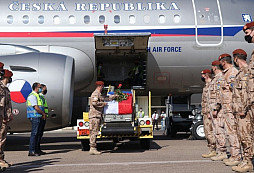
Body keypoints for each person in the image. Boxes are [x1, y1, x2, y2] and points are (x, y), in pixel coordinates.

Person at [213, 54, 241, 166]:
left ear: (224, 62)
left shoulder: (233, 72)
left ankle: (236, 156)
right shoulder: (226, 73)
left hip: (231, 107)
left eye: (221, 62)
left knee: (233, 132)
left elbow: (235, 89)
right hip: (226, 107)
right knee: (229, 133)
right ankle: (234, 155)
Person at [230, 49, 254, 172]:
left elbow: (246, 93)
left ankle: (248, 162)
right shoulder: (240, 73)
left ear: (236, 58)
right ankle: (246, 160)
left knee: (246, 137)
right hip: (240, 111)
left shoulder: (246, 71)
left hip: (243, 111)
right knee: (243, 136)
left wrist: (243, 109)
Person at [88, 81, 117, 155]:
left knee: (95, 131)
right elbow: (95, 103)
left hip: (97, 116)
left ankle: (93, 147)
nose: (103, 87)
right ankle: (92, 148)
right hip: (94, 116)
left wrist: (114, 96)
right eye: (102, 86)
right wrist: (103, 104)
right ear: (100, 86)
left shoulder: (99, 94)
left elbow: (105, 98)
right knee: (93, 132)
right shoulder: (95, 94)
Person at [209, 61, 227, 161]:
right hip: (214, 109)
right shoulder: (215, 78)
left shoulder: (220, 77)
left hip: (218, 110)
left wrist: (216, 108)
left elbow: (219, 94)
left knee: (220, 131)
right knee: (216, 131)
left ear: (215, 67)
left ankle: (222, 152)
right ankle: (220, 151)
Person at [26, 82, 46, 156]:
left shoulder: (38, 96)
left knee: (38, 134)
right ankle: (32, 151)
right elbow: (36, 107)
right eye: (39, 87)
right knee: (34, 134)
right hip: (34, 116)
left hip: (38, 116)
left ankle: (37, 150)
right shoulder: (32, 96)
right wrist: (43, 113)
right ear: (36, 88)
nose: (41, 89)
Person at [200, 69, 216, 158]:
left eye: (202, 75)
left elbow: (213, 100)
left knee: (210, 132)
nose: (201, 77)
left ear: (206, 75)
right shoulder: (206, 86)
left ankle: (214, 149)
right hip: (205, 112)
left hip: (209, 112)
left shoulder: (211, 85)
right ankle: (211, 149)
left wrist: (212, 111)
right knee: (207, 132)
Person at [0, 69, 13, 168]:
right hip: (1, 117)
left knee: (2, 139)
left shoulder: (6, 89)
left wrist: (8, 115)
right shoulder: (1, 88)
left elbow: (7, 104)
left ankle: (1, 159)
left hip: (4, 117)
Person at [37, 84, 48, 155]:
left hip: (43, 116)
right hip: (40, 116)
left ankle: (38, 149)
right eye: (45, 88)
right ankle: (36, 149)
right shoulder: (39, 96)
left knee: (40, 134)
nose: (46, 90)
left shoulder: (42, 97)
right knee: (38, 133)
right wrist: (43, 114)